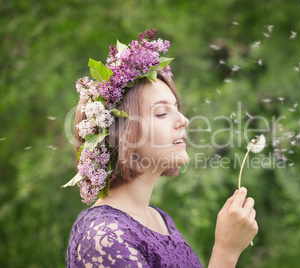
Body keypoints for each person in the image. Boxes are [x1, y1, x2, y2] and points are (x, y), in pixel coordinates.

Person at [65, 28, 258, 267]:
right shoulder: (103, 235)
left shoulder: (160, 220)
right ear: (121, 134)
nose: (184, 120)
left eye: (177, 108)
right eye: (162, 112)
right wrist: (226, 251)